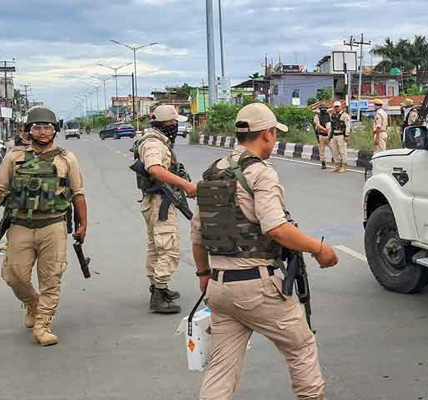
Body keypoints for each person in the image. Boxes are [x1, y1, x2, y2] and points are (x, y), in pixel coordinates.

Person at [191, 102, 339, 400]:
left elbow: (197, 234)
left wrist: (204, 274)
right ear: (268, 134)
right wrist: (319, 248)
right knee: (301, 347)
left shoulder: (212, 173)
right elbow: (276, 228)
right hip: (256, 287)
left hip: (220, 287)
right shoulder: (260, 173)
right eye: (275, 134)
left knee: (221, 367)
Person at [0, 106, 87, 347]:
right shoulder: (14, 157)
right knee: (14, 275)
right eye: (37, 127)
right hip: (20, 226)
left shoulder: (66, 158)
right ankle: (32, 303)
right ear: (29, 130)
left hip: (53, 225)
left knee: (51, 278)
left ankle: (43, 325)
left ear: (55, 130)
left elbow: (78, 193)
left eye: (47, 127)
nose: (42, 131)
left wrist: (82, 224)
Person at [133, 104, 197, 314]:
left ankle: (158, 287)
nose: (176, 127)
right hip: (159, 201)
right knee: (169, 247)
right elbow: (154, 169)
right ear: (166, 124)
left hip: (155, 200)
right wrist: (186, 185)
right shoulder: (154, 144)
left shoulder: (156, 140)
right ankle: (159, 293)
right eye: (174, 123)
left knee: (156, 246)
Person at [329, 101, 351, 173]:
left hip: (341, 135)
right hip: (334, 135)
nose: (337, 108)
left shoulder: (345, 115)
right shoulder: (333, 115)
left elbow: (347, 126)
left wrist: (347, 135)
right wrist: (330, 136)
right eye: (335, 107)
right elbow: (331, 127)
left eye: (338, 106)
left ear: (341, 107)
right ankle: (337, 166)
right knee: (335, 152)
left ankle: (344, 166)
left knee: (342, 151)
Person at [312, 104, 331, 170]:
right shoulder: (317, 116)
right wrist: (325, 129)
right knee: (322, 151)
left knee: (334, 149)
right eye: (322, 108)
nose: (323, 110)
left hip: (328, 135)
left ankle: (337, 163)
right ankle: (323, 163)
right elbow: (318, 125)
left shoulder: (329, 115)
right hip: (321, 135)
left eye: (324, 108)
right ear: (320, 109)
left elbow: (331, 124)